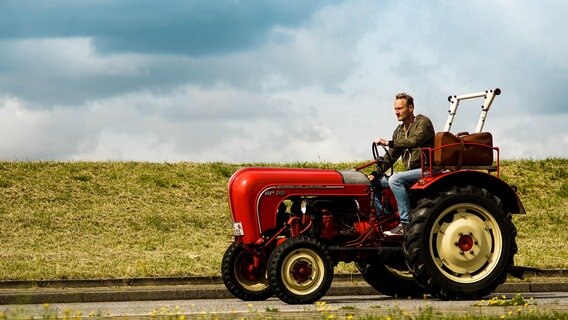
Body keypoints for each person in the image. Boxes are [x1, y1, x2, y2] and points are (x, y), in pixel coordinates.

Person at [371, 92, 435, 236]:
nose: (396, 112)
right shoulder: (399, 131)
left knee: (395, 179)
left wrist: (388, 142)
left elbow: (414, 141)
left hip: (426, 170)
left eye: (400, 108)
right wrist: (374, 173)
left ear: (410, 108)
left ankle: (405, 224)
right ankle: (386, 218)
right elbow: (391, 156)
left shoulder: (423, 123)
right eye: (395, 109)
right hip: (410, 172)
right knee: (374, 183)